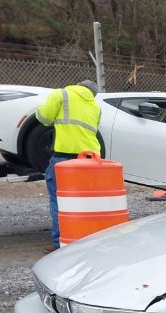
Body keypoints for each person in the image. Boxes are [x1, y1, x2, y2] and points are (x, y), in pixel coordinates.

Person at [35, 80, 101, 253]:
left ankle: (59, 244)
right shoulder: (96, 106)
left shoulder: (61, 94)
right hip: (91, 159)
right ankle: (87, 240)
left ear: (78, 84)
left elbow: (43, 118)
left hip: (65, 158)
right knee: (87, 201)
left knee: (59, 199)